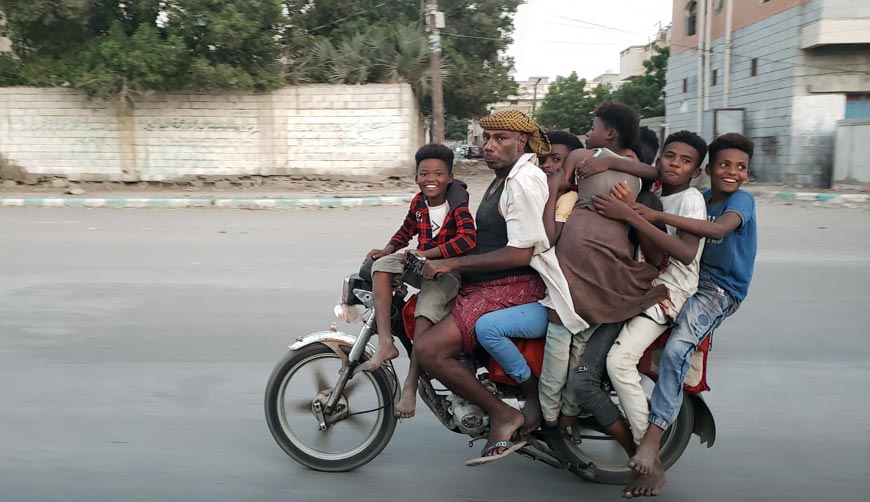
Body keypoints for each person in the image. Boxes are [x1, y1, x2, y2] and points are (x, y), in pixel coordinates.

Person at [619, 133, 758, 498]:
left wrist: (654, 214)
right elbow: (648, 167)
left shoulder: (739, 201)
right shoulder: (698, 195)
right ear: (708, 170)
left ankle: (651, 441)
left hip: (719, 290)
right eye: (725, 165)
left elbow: (717, 230)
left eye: (740, 167)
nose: (732, 172)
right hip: (685, 280)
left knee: (679, 345)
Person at [414, 109, 552, 464]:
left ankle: (504, 414)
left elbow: (522, 252)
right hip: (490, 282)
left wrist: (452, 262)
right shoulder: (504, 177)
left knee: (428, 349)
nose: (489, 146)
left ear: (521, 142)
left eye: (500, 139)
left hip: (514, 285)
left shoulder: (522, 180)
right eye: (487, 138)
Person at [591, 130, 709, 496]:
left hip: (669, 291)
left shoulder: (690, 200)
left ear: (697, 171)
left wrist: (631, 214)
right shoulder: (655, 187)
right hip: (643, 284)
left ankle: (649, 450)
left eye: (685, 161)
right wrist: (607, 161)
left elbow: (686, 253)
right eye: (669, 156)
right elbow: (632, 163)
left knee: (619, 361)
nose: (675, 164)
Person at [471, 129, 587, 436]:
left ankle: (534, 400)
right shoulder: (529, 186)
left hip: (559, 299)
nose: (548, 166)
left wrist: (555, 187)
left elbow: (543, 240)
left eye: (558, 162)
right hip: (545, 290)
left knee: (488, 328)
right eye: (546, 160)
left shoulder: (567, 199)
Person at [364, 144, 477, 419]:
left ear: (449, 177)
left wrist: (429, 255)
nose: (431, 179)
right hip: (419, 263)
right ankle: (386, 343)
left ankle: (411, 385)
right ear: (416, 177)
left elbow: (468, 239)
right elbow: (406, 230)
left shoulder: (457, 206)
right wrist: (388, 250)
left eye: (438, 174)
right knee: (379, 268)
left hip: (447, 271)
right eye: (424, 173)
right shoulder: (418, 203)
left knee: (423, 320)